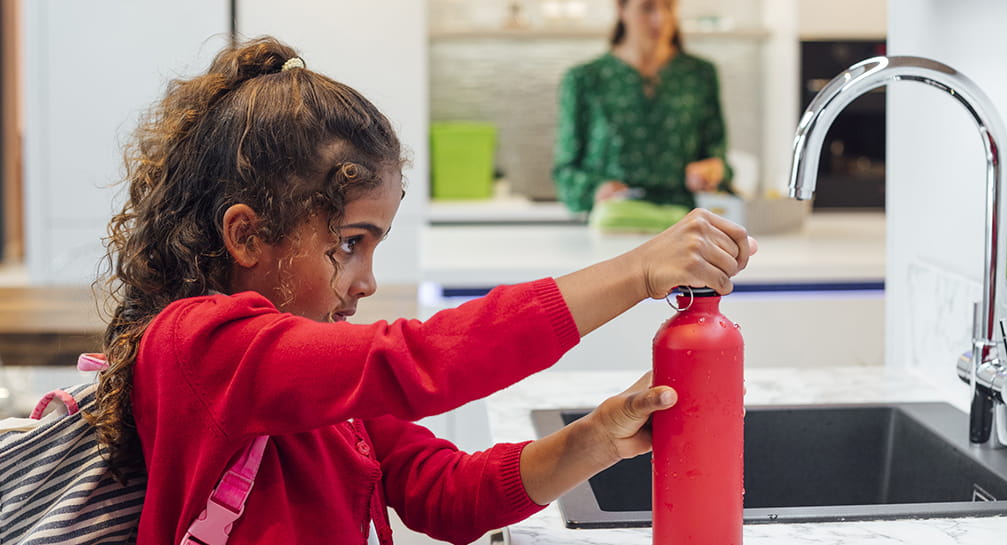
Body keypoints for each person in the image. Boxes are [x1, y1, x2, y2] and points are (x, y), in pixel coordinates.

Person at [87, 37, 755, 545]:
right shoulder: (199, 348)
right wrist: (635, 271)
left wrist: (598, 437)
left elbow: (449, 492)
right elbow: (418, 360)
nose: (368, 280)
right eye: (351, 242)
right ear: (248, 233)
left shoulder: (325, 387)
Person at [552, 0, 731, 214]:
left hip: (684, 223)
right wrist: (597, 190)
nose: (661, 18)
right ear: (621, 9)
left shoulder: (700, 74)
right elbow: (565, 170)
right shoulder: (584, 79)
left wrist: (712, 172)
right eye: (647, 7)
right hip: (614, 220)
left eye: (669, 7)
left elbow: (719, 160)